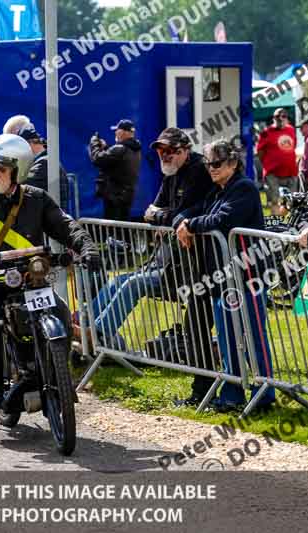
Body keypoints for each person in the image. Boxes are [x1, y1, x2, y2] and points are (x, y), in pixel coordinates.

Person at [0, 133, 99, 411]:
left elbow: (66, 226)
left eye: (1, 168)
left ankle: (59, 376)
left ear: (17, 173)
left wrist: (87, 249)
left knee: (60, 314)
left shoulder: (36, 199)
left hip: (33, 281)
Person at [91, 127, 215, 407]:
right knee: (117, 281)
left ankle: (97, 336)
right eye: (160, 150)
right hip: (165, 260)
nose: (164, 155)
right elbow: (153, 210)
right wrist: (162, 216)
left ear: (185, 150)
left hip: (188, 270)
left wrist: (162, 217)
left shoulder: (197, 171)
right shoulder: (171, 173)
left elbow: (181, 214)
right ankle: (86, 330)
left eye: (170, 150)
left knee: (133, 284)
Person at [173, 139, 275, 412]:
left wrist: (191, 225)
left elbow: (222, 219)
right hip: (223, 278)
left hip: (247, 276)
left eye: (217, 163)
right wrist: (181, 220)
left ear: (233, 162)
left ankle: (264, 394)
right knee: (228, 337)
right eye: (208, 164)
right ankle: (232, 393)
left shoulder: (243, 188)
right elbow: (199, 212)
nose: (211, 169)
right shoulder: (217, 191)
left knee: (253, 336)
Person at [89, 119, 142, 221]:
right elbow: (117, 161)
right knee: (122, 228)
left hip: (114, 198)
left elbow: (97, 159)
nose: (115, 132)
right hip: (126, 196)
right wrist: (106, 148)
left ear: (123, 132)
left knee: (113, 230)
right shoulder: (135, 148)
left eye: (117, 130)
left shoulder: (120, 148)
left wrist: (94, 143)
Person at [257, 108, 298, 214]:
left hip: (291, 171)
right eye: (277, 116)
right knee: (274, 200)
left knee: (292, 200)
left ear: (286, 118)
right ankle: (275, 225)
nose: (280, 118)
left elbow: (293, 146)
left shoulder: (291, 129)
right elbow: (260, 151)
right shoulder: (266, 132)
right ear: (273, 118)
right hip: (272, 173)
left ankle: (287, 221)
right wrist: (269, 164)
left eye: (283, 116)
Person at [18, 125, 69, 208]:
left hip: (51, 219)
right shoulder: (47, 160)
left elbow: (21, 186)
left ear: (29, 144)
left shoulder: (44, 163)